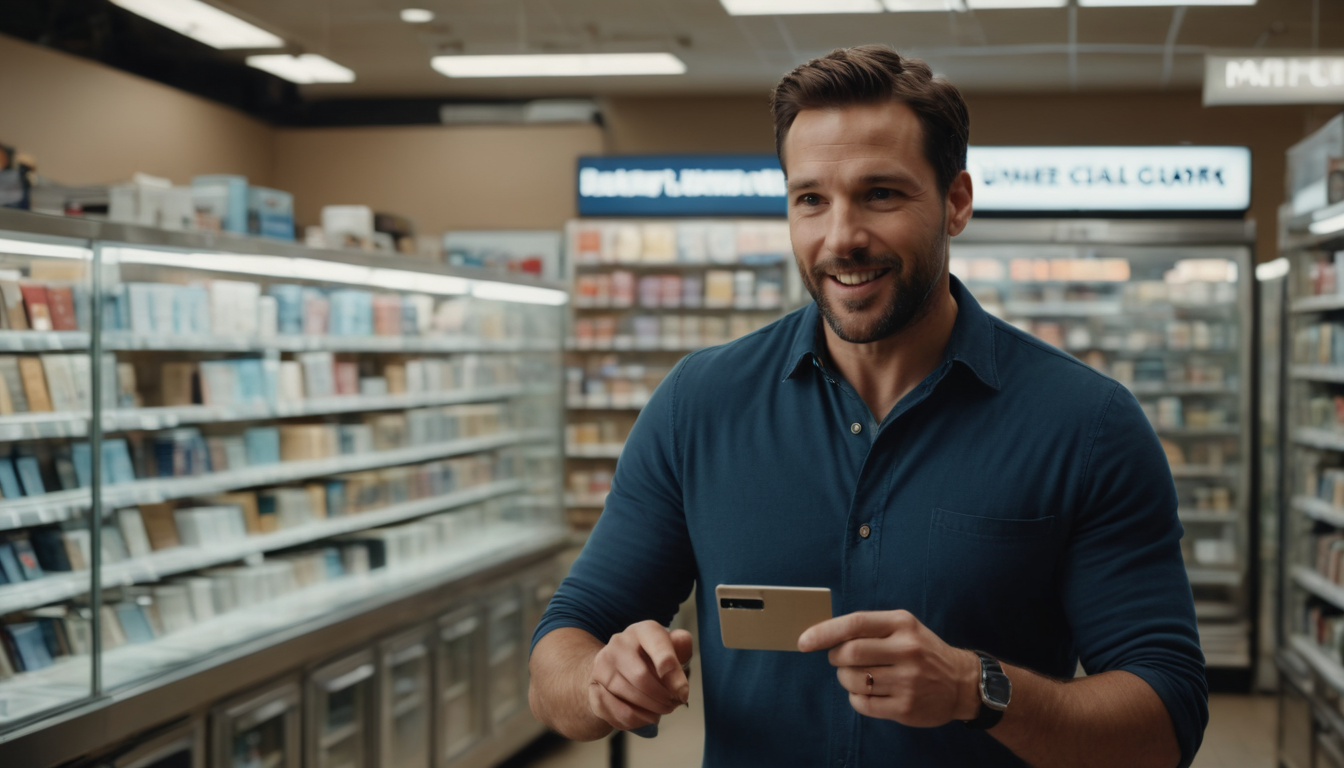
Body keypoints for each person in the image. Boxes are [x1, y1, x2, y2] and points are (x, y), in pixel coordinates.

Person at [529, 45, 1207, 768]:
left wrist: (977, 689)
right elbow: (564, 649)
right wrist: (600, 683)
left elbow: (1166, 718)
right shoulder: (699, 405)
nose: (841, 237)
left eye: (881, 193)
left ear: (956, 201)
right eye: (811, 199)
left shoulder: (1087, 424)